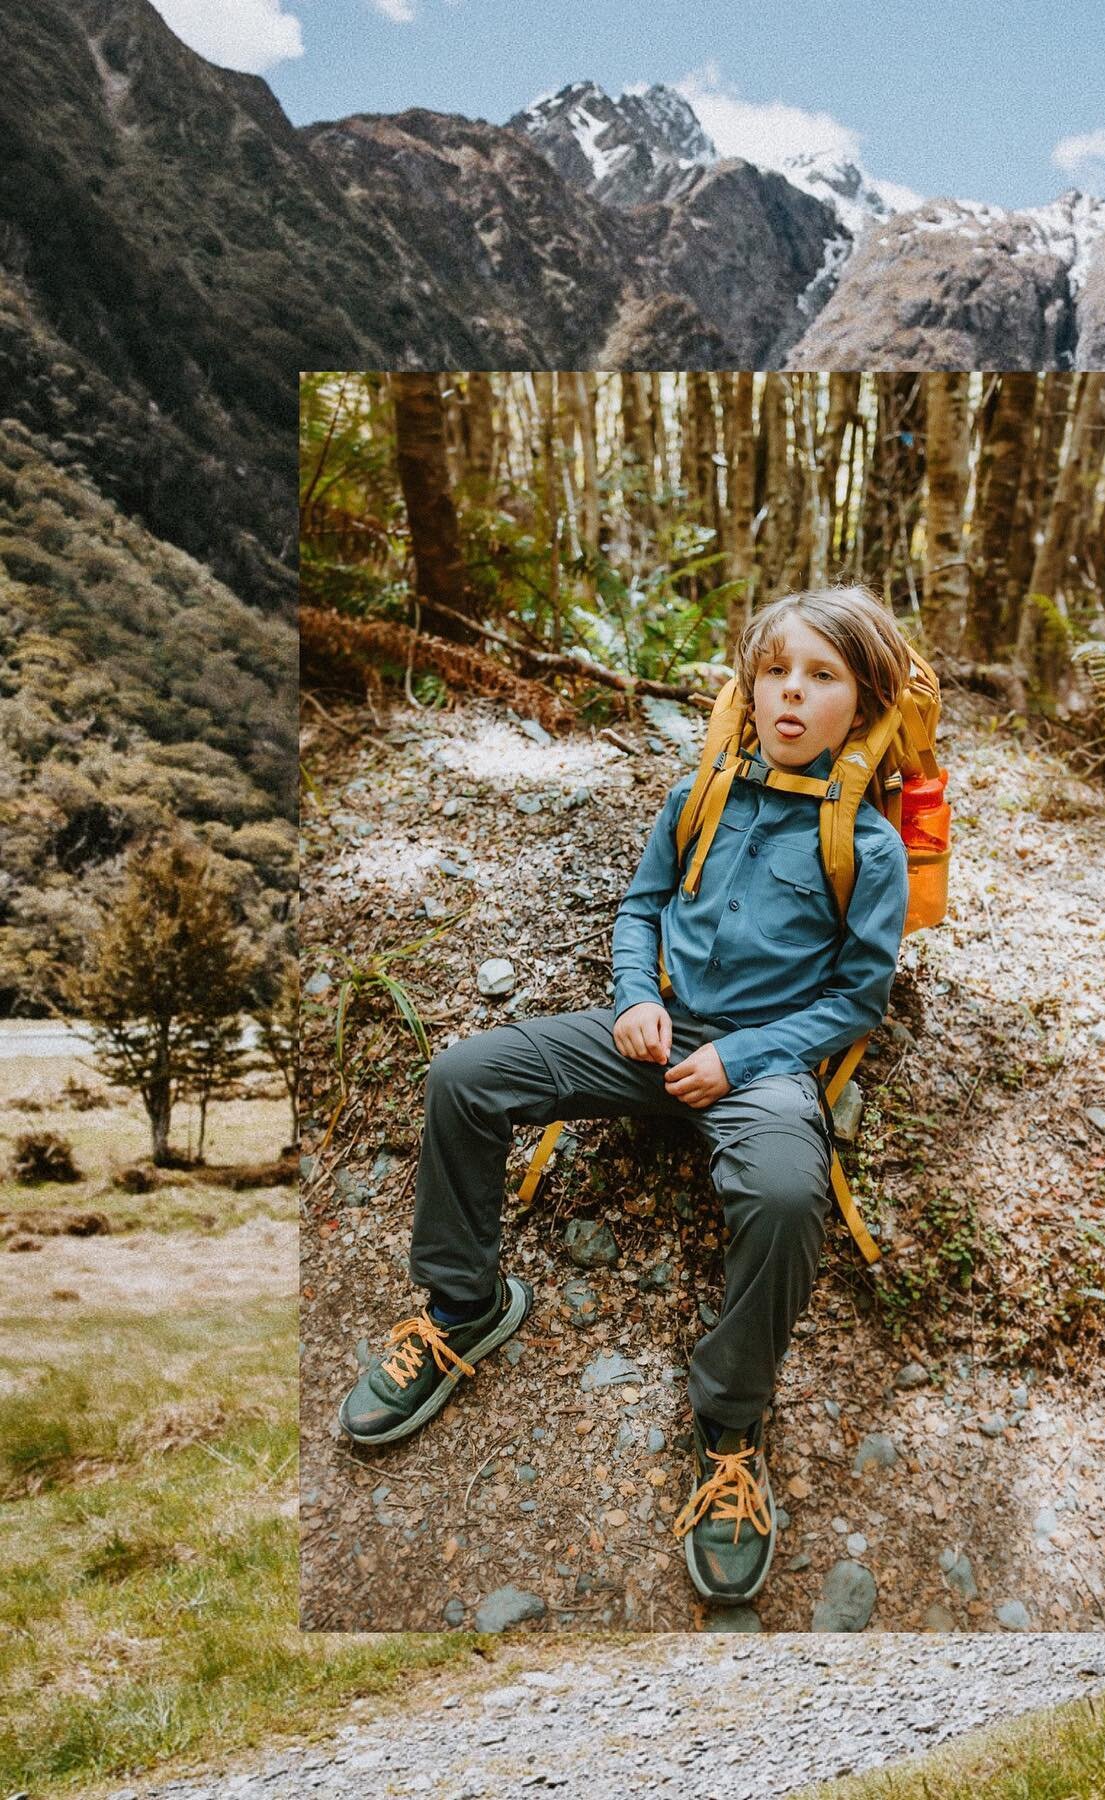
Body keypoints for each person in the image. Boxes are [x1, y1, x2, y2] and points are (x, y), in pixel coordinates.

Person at [337, 584, 910, 1607]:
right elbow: (641, 908)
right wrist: (635, 997)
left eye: (821, 677)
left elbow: (856, 999)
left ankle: (729, 1421)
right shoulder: (699, 799)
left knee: (785, 1195)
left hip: (761, 1071)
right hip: (648, 1041)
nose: (791, 694)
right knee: (465, 1077)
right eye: (775, 671)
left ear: (861, 706)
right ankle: (465, 1307)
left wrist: (742, 1062)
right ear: (748, 688)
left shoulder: (866, 848)